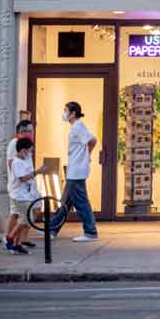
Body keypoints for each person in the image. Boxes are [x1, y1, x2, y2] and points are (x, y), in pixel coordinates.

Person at [59, 101, 98, 242]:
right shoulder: (76, 127)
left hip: (77, 170)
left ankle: (90, 232)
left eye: (65, 110)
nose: (64, 113)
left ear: (73, 113)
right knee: (66, 201)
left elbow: (93, 140)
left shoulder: (77, 126)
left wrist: (87, 154)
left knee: (81, 202)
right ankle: (52, 229)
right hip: (74, 169)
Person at [7, 138, 47, 255]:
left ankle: (17, 244)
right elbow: (22, 178)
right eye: (29, 151)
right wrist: (37, 172)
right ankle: (10, 238)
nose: (30, 153)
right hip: (19, 196)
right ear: (23, 150)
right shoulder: (16, 162)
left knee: (26, 220)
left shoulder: (22, 161)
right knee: (25, 219)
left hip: (25, 195)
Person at [5, 120, 39, 248]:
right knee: (16, 214)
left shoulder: (27, 144)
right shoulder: (15, 144)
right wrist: (25, 176)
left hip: (29, 185)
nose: (30, 133)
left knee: (35, 209)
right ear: (21, 132)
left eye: (31, 131)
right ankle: (9, 238)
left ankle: (21, 239)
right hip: (20, 187)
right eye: (28, 131)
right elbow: (12, 164)